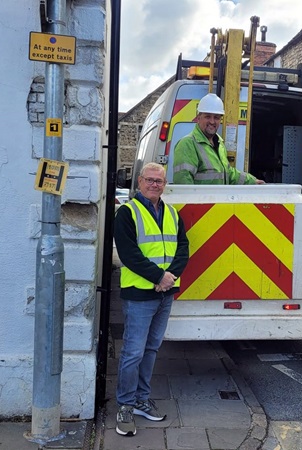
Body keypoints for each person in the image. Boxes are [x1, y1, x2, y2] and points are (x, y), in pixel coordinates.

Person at [114, 162, 189, 436]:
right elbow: (128, 253)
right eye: (150, 180)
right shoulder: (126, 212)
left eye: (159, 181)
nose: (155, 184)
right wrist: (159, 276)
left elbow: (183, 248)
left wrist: (169, 277)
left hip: (165, 293)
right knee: (133, 352)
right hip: (139, 294)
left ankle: (141, 400)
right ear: (140, 182)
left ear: (164, 184)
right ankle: (125, 405)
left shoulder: (172, 212)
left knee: (151, 349)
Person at [172, 93, 265, 185]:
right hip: (202, 200)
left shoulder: (219, 144)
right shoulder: (187, 144)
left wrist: (252, 181)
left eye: (216, 117)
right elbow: (183, 183)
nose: (212, 121)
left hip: (217, 200)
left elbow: (229, 174)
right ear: (198, 118)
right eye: (207, 116)